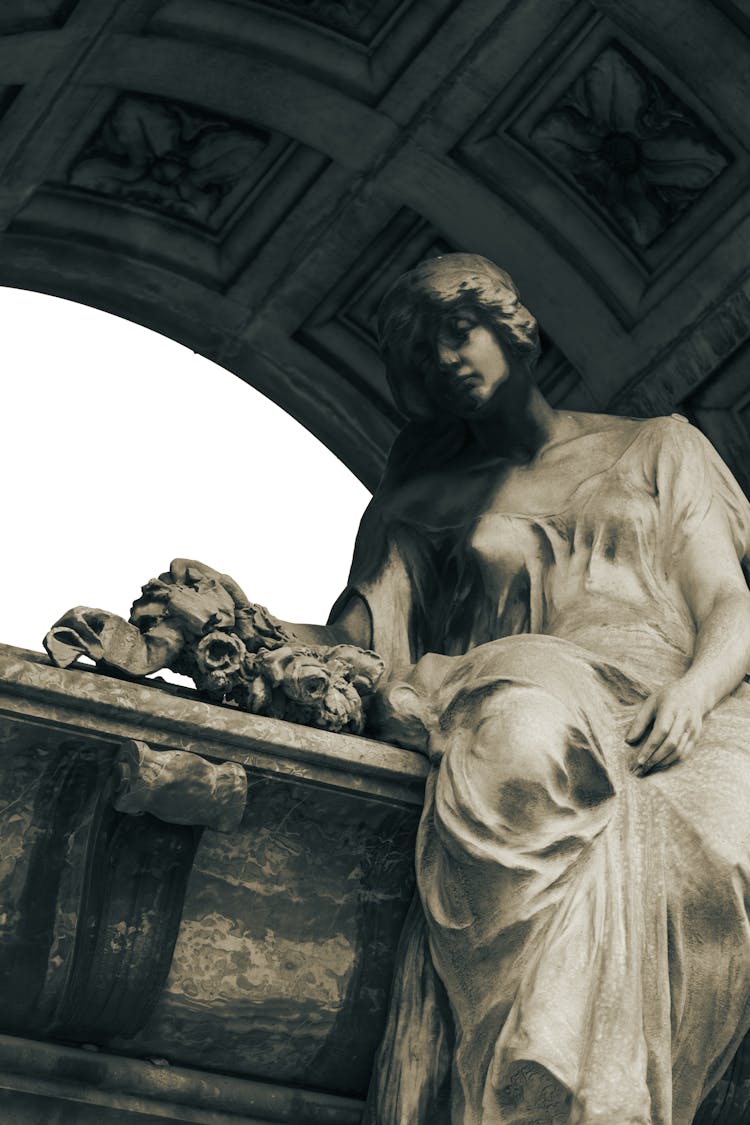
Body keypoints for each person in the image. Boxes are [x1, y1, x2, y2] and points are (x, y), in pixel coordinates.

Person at [320, 254, 750, 1124]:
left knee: (726, 853)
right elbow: (354, 644)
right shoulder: (430, 500)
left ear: (510, 327)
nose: (446, 357)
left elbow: (729, 602)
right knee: (520, 741)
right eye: (420, 351)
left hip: (683, 705)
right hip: (535, 681)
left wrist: (695, 694)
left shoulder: (659, 444)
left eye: (458, 328)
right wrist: (220, 623)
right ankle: (539, 1087)